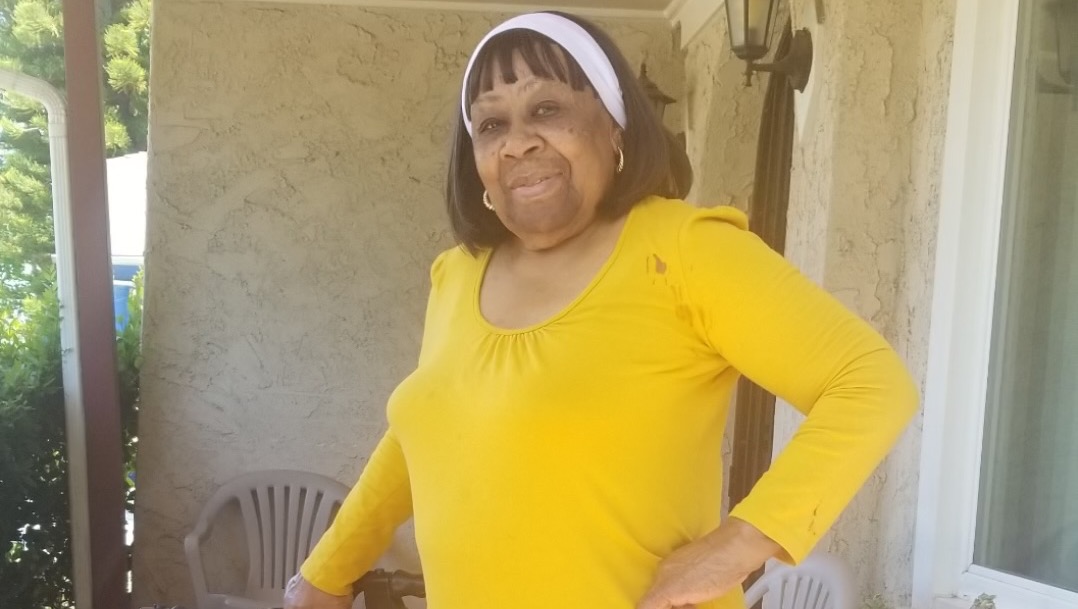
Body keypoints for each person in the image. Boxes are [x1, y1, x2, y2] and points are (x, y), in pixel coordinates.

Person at [284, 11, 918, 609]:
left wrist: (741, 542)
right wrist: (327, 572)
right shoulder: (456, 274)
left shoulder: (684, 249)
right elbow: (421, 434)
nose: (517, 143)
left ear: (615, 127)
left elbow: (868, 382)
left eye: (547, 109)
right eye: (491, 126)